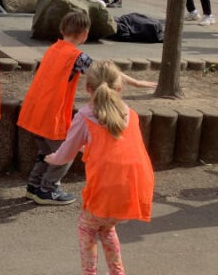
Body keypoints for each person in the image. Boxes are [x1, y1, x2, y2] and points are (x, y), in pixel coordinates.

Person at [18, 11, 156, 205]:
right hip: (52, 116)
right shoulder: (76, 57)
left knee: (45, 153)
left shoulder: (54, 49)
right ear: (85, 34)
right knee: (64, 155)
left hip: (34, 112)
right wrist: (137, 83)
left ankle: (34, 186)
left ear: (61, 29)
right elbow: (106, 73)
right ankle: (48, 189)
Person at [44, 61, 154, 275]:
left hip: (106, 189)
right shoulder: (130, 114)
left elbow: (65, 153)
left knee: (87, 227)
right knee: (106, 226)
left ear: (87, 88)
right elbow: (117, 148)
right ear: (119, 88)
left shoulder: (85, 116)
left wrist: (52, 158)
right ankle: (117, 271)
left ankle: (89, 272)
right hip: (135, 188)